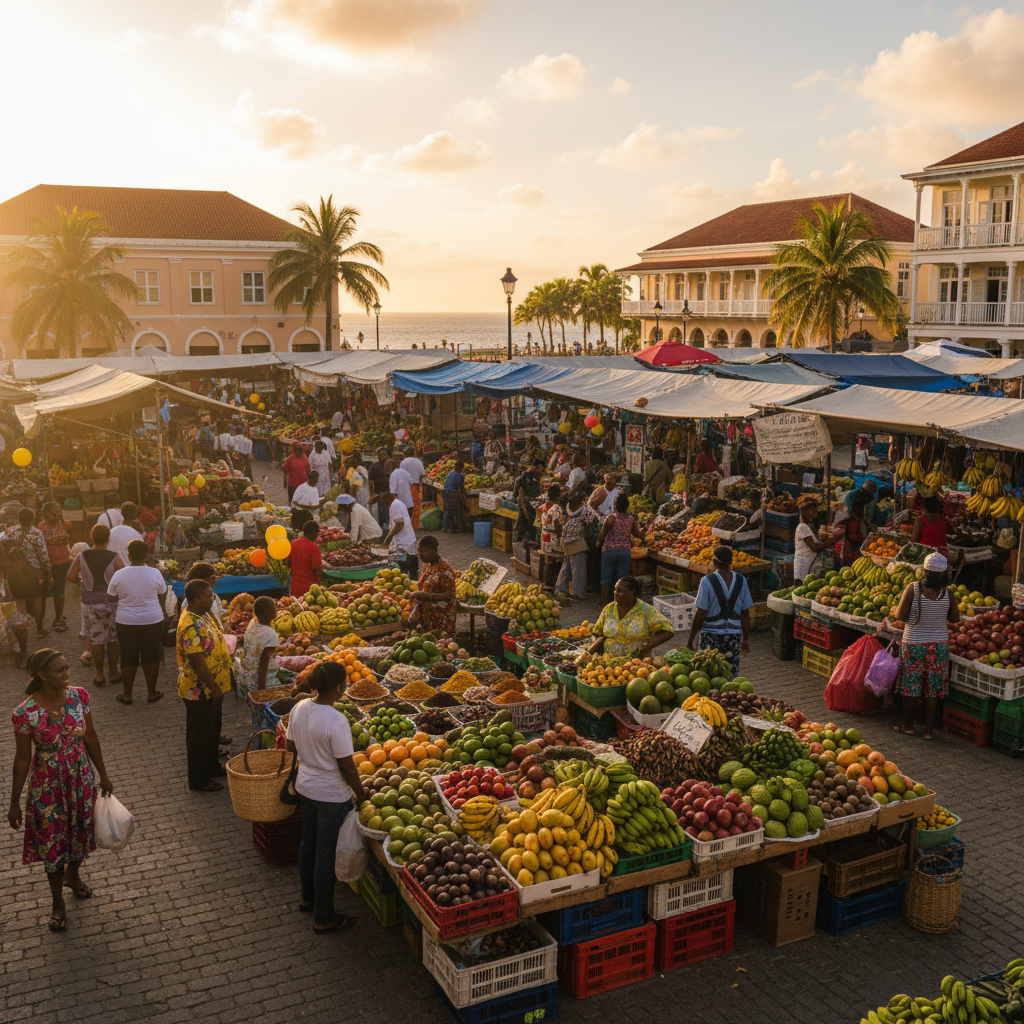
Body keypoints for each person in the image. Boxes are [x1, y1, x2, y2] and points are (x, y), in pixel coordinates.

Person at [9, 649, 114, 932]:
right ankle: (57, 902)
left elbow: (90, 736)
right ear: (42, 675)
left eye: (68, 668)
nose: (67, 673)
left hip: (80, 779)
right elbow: (21, 759)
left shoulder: (79, 696)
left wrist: (103, 774)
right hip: (47, 788)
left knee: (80, 833)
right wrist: (14, 802)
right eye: (60, 670)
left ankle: (74, 875)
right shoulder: (24, 713)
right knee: (52, 844)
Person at [284, 661, 368, 933]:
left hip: (306, 788)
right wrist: (361, 793)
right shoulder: (336, 720)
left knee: (308, 842)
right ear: (336, 688)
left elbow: (290, 745)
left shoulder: (298, 708)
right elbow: (347, 766)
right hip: (331, 795)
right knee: (324, 852)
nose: (345, 689)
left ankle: (307, 898)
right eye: (344, 684)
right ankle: (323, 916)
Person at [892, 552, 959, 739]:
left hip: (914, 643)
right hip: (938, 647)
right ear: (944, 574)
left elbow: (899, 615)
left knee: (911, 685)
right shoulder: (948, 593)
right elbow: (955, 618)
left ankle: (908, 725)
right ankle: (928, 731)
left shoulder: (913, 589)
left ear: (925, 570)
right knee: (933, 688)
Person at [176, 580, 231, 792]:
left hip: (212, 686)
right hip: (199, 689)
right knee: (199, 736)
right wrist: (214, 687)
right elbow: (196, 660)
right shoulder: (190, 624)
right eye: (208, 595)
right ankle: (198, 780)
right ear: (196, 599)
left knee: (212, 732)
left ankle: (212, 767)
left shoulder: (204, 614)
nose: (212, 598)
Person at [107, 538, 166, 706]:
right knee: (151, 656)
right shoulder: (155, 573)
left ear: (128, 554)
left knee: (127, 657)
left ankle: (127, 695)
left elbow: (110, 596)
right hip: (152, 620)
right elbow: (162, 592)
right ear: (147, 555)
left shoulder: (119, 574)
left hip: (126, 622)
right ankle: (152, 693)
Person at [66, 524, 122, 689]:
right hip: (111, 602)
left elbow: (70, 576)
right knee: (113, 638)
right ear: (108, 539)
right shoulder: (114, 556)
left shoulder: (82, 556)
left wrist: (81, 581)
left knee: (96, 640)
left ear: (92, 538)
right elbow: (123, 577)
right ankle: (113, 672)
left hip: (90, 603)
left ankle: (99, 675)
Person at [686, 546, 754, 675]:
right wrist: (745, 639)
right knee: (729, 673)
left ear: (715, 562)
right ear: (731, 562)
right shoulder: (741, 580)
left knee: (707, 674)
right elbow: (745, 613)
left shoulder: (706, 581)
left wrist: (690, 640)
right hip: (734, 636)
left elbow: (700, 613)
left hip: (710, 636)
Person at [587, 576, 674, 659]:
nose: (615, 593)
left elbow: (668, 630)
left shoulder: (645, 610)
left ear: (632, 592)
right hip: (610, 663)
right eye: (615, 590)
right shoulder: (608, 609)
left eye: (620, 591)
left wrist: (649, 644)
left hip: (637, 664)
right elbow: (597, 633)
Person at [6, 506, 53, 639]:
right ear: (32, 519)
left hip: (15, 572)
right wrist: (48, 574)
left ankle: (21, 631)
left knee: (19, 601)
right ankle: (39, 629)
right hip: (34, 573)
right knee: (37, 599)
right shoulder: (36, 533)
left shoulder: (10, 531)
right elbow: (43, 556)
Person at [597, 493, 644, 604]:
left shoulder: (611, 518)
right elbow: (637, 534)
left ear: (615, 505)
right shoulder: (631, 519)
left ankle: (604, 603)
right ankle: (620, 603)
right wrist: (644, 533)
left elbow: (602, 535)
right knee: (622, 579)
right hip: (624, 551)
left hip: (609, 551)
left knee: (605, 578)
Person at [556, 494, 600, 603]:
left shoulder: (568, 509)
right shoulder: (584, 510)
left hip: (567, 540)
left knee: (566, 568)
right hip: (577, 543)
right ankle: (578, 593)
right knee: (578, 569)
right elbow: (591, 522)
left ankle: (560, 590)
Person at [410, 535, 456, 634]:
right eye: (419, 551)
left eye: (424, 551)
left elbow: (449, 595)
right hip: (427, 616)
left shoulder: (444, 570)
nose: (420, 555)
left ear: (434, 551)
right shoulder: (428, 564)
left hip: (441, 619)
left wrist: (426, 596)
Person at [237, 596, 280, 698]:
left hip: (248, 677)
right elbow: (263, 663)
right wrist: (261, 691)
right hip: (262, 680)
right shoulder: (271, 634)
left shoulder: (251, 628)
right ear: (271, 613)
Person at [382, 490, 419, 578]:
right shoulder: (398, 503)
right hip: (407, 541)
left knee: (401, 572)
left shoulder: (394, 505)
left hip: (403, 544)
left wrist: (388, 538)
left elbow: (400, 524)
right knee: (412, 570)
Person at [793, 498, 831, 582]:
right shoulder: (802, 527)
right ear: (804, 511)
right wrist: (831, 541)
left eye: (815, 509)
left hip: (808, 566)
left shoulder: (807, 527)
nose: (815, 511)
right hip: (803, 567)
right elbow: (814, 547)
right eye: (812, 509)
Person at [834, 491, 870, 567]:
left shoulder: (858, 520)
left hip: (849, 553)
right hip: (848, 554)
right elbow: (855, 538)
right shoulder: (853, 522)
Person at [289, 521, 324, 598]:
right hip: (310, 589)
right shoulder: (314, 547)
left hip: (294, 586)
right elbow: (318, 572)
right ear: (315, 533)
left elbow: (288, 563)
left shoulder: (293, 543)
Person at [513, 459, 544, 543]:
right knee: (521, 527)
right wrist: (526, 511)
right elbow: (520, 495)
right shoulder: (526, 477)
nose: (541, 472)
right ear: (535, 468)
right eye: (540, 469)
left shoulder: (533, 476)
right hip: (523, 504)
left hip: (528, 503)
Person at [535, 484, 565, 558]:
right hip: (554, 547)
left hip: (543, 543)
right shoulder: (559, 510)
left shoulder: (540, 508)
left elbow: (538, 530)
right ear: (558, 496)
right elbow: (560, 531)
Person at [400, 450, 425, 529]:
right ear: (413, 453)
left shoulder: (403, 462)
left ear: (405, 454)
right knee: (416, 505)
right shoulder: (419, 462)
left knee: (406, 505)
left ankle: (406, 525)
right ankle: (414, 525)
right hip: (416, 486)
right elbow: (422, 474)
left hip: (406, 486)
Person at [368, 447, 391, 529]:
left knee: (387, 510)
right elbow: (370, 480)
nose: (384, 456)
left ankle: (386, 524)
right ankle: (381, 526)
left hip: (388, 491)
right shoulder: (374, 466)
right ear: (378, 456)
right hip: (378, 492)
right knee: (380, 510)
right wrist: (382, 480)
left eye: (385, 454)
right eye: (382, 455)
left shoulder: (389, 465)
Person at [442, 460, 468, 534]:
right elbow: (461, 488)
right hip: (452, 494)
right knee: (457, 511)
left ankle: (445, 527)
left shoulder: (450, 473)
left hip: (445, 493)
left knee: (447, 510)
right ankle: (459, 527)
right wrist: (464, 501)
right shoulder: (461, 476)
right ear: (461, 468)